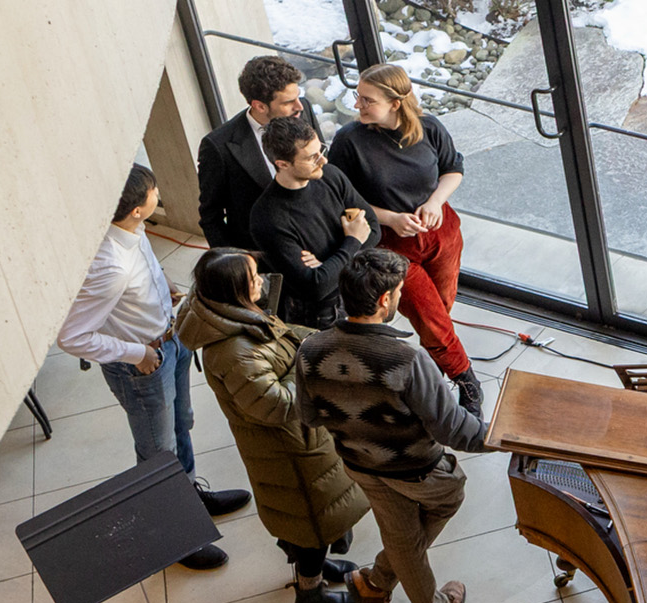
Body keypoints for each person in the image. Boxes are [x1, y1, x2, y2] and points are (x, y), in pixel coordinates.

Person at [59, 164, 250, 569]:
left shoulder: (132, 230)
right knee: (155, 454)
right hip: (144, 363)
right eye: (153, 190)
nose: (157, 191)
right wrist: (137, 354)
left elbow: (145, 267)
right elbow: (72, 337)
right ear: (136, 211)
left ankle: (190, 498)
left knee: (181, 427)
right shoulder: (108, 264)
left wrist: (163, 291)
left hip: (171, 339)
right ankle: (175, 536)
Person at [297, 250, 487, 603]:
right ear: (385, 300)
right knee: (450, 496)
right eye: (399, 291)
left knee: (402, 538)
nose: (401, 297)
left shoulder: (310, 351)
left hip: (360, 466)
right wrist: (498, 436)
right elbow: (453, 430)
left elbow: (311, 417)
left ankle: (381, 587)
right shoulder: (408, 361)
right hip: (415, 469)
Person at [174, 248, 370, 603]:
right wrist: (315, 372)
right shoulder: (234, 350)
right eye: (253, 277)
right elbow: (275, 406)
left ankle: (314, 568)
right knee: (312, 523)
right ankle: (310, 596)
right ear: (236, 291)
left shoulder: (234, 317)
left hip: (302, 443)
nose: (261, 280)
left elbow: (283, 344)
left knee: (317, 519)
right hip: (290, 453)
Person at [328, 64, 481, 414]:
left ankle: (431, 371)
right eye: (358, 96)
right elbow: (340, 198)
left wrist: (435, 201)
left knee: (440, 311)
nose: (358, 105)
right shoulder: (350, 141)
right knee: (430, 318)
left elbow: (452, 169)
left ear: (396, 103)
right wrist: (391, 218)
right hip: (392, 246)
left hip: (441, 233)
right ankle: (467, 382)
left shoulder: (429, 128)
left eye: (367, 100)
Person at [249, 115, 381, 329]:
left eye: (321, 151)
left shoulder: (330, 175)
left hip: (357, 291)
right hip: (318, 316)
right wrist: (352, 240)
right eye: (312, 157)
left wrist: (326, 265)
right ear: (282, 164)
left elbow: (373, 229)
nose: (323, 160)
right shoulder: (267, 218)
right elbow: (316, 288)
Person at [195, 56, 305, 249]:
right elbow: (211, 216)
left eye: (298, 96)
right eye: (289, 102)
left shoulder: (302, 112)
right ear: (259, 106)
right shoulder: (218, 147)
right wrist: (237, 263)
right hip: (262, 252)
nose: (300, 106)